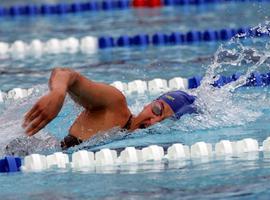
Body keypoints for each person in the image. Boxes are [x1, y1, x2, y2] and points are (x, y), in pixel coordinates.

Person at [23, 67, 196, 149]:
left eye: (165, 120)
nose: (154, 120)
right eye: (158, 109)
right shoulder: (114, 105)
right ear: (148, 104)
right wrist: (58, 93)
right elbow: (64, 74)